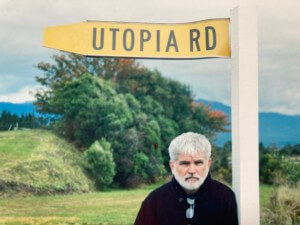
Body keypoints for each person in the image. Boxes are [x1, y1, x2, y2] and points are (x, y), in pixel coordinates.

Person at [134, 132, 239, 225]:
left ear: (208, 164)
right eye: (185, 163)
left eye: (198, 163)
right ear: (172, 166)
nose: (192, 170)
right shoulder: (155, 201)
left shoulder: (224, 197)